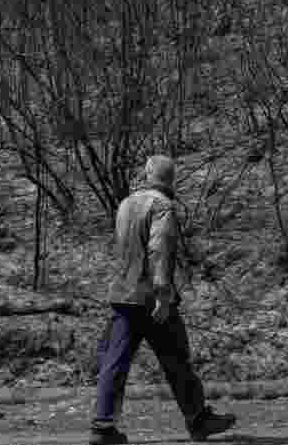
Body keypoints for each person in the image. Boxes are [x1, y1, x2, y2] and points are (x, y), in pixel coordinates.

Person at [89, 155, 236, 444]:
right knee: (177, 360)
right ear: (171, 179)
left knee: (114, 361)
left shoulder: (126, 204)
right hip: (150, 298)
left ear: (147, 174)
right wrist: (163, 295)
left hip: (122, 293)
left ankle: (102, 426)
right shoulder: (162, 206)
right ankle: (198, 419)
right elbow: (159, 251)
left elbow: (123, 249)